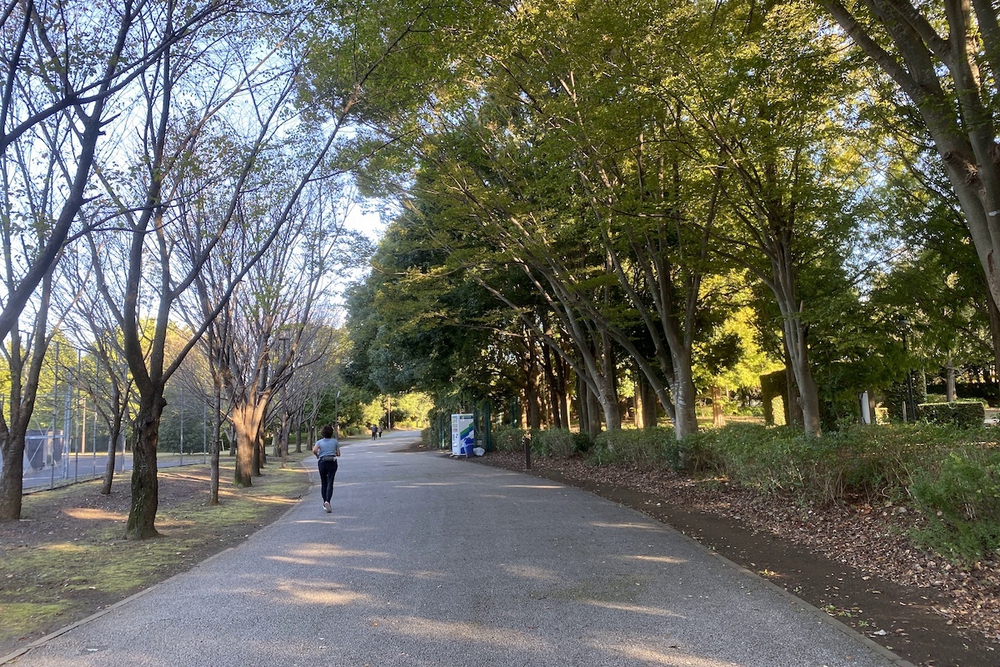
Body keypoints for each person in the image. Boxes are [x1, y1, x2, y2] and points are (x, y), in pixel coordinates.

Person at [312, 424, 340, 513]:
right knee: (330, 482)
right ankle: (328, 501)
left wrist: (318, 455)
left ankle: (324, 502)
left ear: (322, 433)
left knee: (324, 482)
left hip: (322, 462)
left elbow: (314, 450)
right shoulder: (335, 442)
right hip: (332, 462)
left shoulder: (319, 442)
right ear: (331, 433)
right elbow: (338, 454)